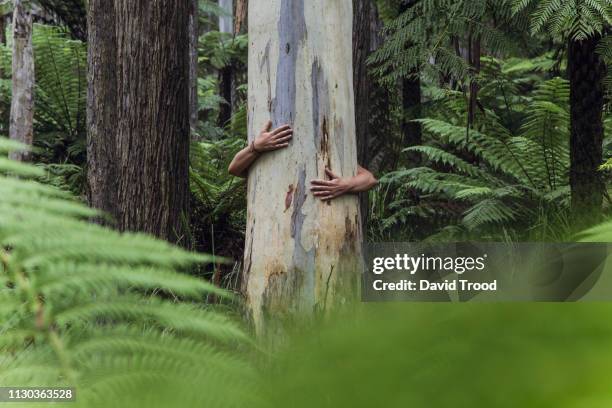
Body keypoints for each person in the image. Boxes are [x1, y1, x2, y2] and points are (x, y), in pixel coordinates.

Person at [228, 120, 378, 201]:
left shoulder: (324, 154)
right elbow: (234, 168)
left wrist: (346, 184)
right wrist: (256, 147)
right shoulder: (270, 150)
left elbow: (370, 179)